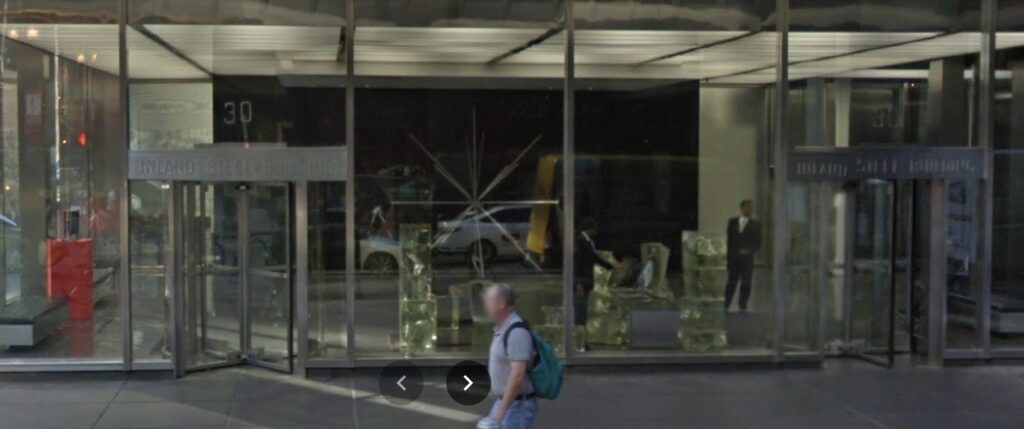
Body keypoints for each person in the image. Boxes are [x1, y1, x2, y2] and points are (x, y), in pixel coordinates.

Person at [485, 283, 538, 429]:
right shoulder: (503, 329)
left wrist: (501, 412)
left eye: (489, 300)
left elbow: (518, 374)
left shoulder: (516, 332)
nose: (486, 305)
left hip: (517, 406)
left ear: (501, 304)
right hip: (507, 403)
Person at [574, 218, 617, 327]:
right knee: (581, 307)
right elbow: (591, 256)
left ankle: (582, 330)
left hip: (586, 277)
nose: (596, 233)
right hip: (582, 278)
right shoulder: (581, 241)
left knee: (584, 306)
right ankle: (580, 330)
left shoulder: (586, 241)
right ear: (590, 229)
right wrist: (608, 265)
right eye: (594, 230)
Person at [725, 199, 761, 312]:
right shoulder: (733, 222)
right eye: (747, 207)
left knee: (746, 282)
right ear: (742, 208)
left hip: (747, 259)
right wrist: (728, 256)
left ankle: (743, 304)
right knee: (731, 282)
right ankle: (726, 304)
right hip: (734, 258)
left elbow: (758, 243)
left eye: (751, 208)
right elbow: (729, 240)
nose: (750, 210)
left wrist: (748, 251)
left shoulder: (756, 225)